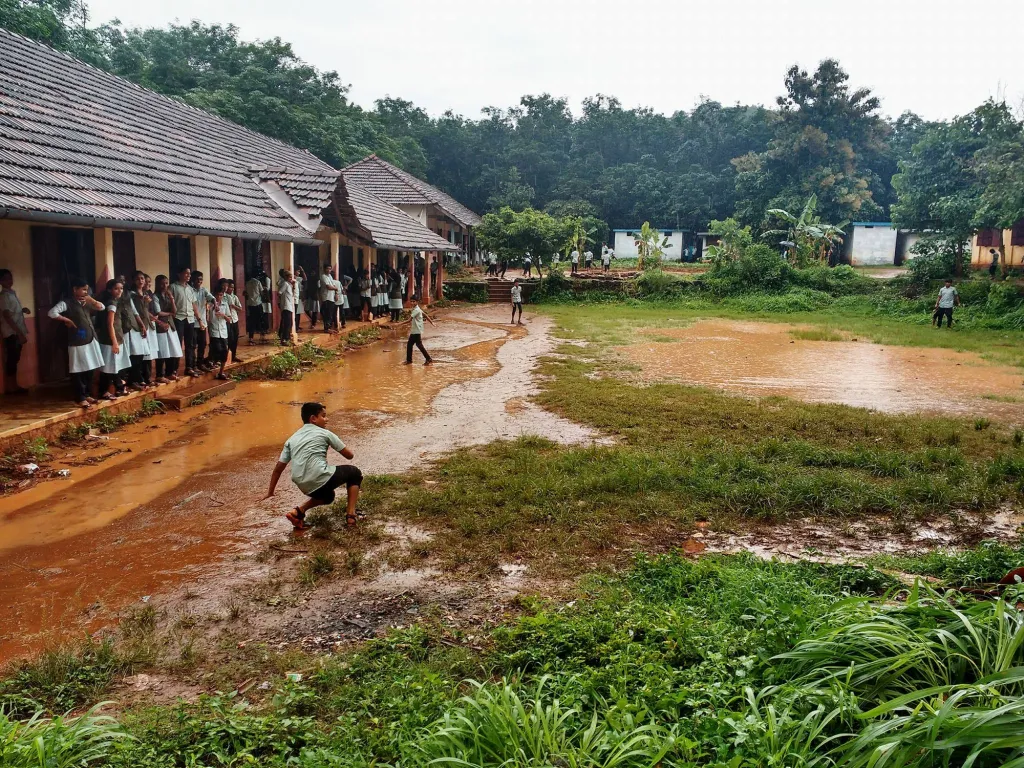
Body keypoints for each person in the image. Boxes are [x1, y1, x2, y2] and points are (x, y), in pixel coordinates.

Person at [265, 402, 363, 530]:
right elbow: (349, 456)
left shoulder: (292, 438)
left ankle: (298, 512)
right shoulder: (325, 433)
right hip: (319, 476)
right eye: (323, 416)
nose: (326, 419)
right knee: (354, 472)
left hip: (302, 483)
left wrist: (270, 492)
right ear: (313, 419)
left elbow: (278, 468)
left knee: (329, 497)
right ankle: (351, 515)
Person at [47, 279, 104, 406]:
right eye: (83, 289)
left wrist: (91, 300)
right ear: (74, 289)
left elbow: (102, 307)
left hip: (90, 338)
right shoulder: (67, 303)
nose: (86, 292)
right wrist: (65, 319)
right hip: (77, 339)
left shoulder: (88, 302)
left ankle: (87, 394)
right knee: (78, 369)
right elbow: (52, 313)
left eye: (87, 289)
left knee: (90, 367)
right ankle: (80, 397)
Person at [95, 278, 131, 399]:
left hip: (117, 338)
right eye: (116, 288)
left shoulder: (116, 301)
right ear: (110, 290)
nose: (119, 291)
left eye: (121, 288)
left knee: (116, 365)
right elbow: (110, 324)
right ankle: (104, 391)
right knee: (108, 367)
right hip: (110, 340)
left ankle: (119, 387)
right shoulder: (112, 304)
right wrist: (114, 342)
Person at [0, 269, 30, 393]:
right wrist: (19, 333)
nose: (9, 281)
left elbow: (11, 311)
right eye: (6, 279)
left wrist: (22, 310)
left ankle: (14, 386)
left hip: (16, 330)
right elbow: (6, 315)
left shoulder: (12, 293)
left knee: (15, 358)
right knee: (12, 359)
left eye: (10, 278)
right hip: (11, 332)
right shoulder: (3, 296)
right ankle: (11, 387)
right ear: (1, 281)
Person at [154, 274, 182, 381]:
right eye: (162, 283)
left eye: (166, 283)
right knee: (162, 351)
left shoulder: (167, 296)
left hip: (170, 326)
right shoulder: (155, 296)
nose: (164, 286)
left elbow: (175, 312)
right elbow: (158, 312)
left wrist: (171, 298)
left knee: (172, 349)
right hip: (160, 326)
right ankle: (159, 375)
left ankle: (169, 372)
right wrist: (169, 313)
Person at [207, 279, 231, 380]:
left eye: (221, 295)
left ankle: (221, 372)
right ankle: (212, 362)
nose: (219, 297)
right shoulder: (210, 305)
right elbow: (208, 319)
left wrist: (223, 315)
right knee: (217, 349)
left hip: (223, 331)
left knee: (225, 351)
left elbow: (229, 319)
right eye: (217, 295)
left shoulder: (225, 305)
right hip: (214, 331)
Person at [190, 271, 211, 371]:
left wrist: (214, 302)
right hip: (193, 323)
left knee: (202, 344)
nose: (199, 281)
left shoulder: (204, 290)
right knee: (193, 346)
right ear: (193, 280)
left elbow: (211, 297)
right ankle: (193, 365)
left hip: (203, 323)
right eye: (197, 279)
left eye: (201, 279)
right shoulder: (190, 291)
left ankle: (200, 363)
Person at [403, 300, 434, 365]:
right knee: (414, 345)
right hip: (416, 330)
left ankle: (428, 359)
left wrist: (399, 324)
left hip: (416, 331)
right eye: (411, 301)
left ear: (417, 302)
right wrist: (431, 322)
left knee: (415, 345)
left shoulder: (416, 310)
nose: (412, 303)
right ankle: (410, 360)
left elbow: (409, 320)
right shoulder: (417, 308)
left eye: (414, 301)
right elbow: (425, 315)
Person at [243, 271, 265, 345]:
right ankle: (262, 337)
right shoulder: (258, 282)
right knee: (261, 319)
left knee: (251, 321)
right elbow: (261, 292)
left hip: (250, 304)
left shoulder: (247, 283)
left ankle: (251, 338)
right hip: (258, 303)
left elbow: (245, 293)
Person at [225, 279, 243, 363]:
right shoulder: (224, 296)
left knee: (235, 338)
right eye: (230, 287)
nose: (231, 289)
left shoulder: (234, 297)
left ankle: (233, 356)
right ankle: (226, 357)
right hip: (227, 321)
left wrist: (233, 306)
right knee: (229, 339)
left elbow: (240, 308)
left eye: (232, 287)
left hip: (234, 319)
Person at [278, 269, 295, 344]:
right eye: (289, 277)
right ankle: (284, 339)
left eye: (291, 277)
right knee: (287, 323)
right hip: (286, 306)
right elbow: (279, 293)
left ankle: (286, 338)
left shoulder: (289, 285)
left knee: (289, 323)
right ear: (285, 277)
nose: (291, 279)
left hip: (289, 306)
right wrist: (282, 301)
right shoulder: (285, 284)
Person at [293, 266, 305, 331]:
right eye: (298, 271)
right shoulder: (292, 278)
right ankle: (295, 327)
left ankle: (297, 326)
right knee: (295, 314)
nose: (299, 272)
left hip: (299, 297)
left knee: (298, 313)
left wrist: (302, 270)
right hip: (295, 298)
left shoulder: (299, 278)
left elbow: (305, 279)